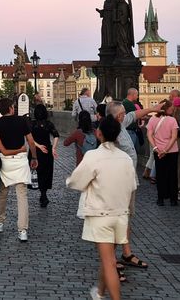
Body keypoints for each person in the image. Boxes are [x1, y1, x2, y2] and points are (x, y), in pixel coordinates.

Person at [66, 114, 137, 300]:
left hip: (101, 215)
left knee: (109, 262)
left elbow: (76, 181)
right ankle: (99, 292)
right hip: (121, 215)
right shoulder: (126, 158)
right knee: (108, 260)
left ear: (99, 134)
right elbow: (132, 186)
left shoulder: (93, 156)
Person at [0, 98, 47, 242]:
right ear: (10, 108)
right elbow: (31, 142)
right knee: (22, 196)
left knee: (2, 192)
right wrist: (34, 158)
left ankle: (0, 222)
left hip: (6, 161)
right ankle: (22, 231)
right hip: (20, 160)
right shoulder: (22, 121)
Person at [106, 100, 163, 271]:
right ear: (118, 115)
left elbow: (135, 114)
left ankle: (126, 253)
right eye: (123, 113)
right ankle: (111, 260)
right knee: (117, 219)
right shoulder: (110, 131)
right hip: (119, 183)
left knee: (127, 218)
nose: (126, 115)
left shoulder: (121, 122)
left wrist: (152, 109)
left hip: (130, 181)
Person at [147, 100, 180, 206]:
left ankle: (160, 198)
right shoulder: (172, 120)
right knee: (172, 175)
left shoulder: (152, 119)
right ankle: (173, 199)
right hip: (172, 151)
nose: (173, 109)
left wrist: (156, 148)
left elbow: (149, 135)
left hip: (158, 151)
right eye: (171, 108)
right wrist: (166, 150)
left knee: (160, 175)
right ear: (167, 108)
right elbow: (174, 137)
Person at [30, 104, 60, 208]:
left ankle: (42, 194)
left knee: (37, 172)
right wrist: (53, 148)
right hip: (47, 150)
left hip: (36, 151)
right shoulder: (49, 124)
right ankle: (44, 194)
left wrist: (38, 146)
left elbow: (29, 138)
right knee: (46, 173)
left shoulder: (32, 124)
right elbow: (56, 135)